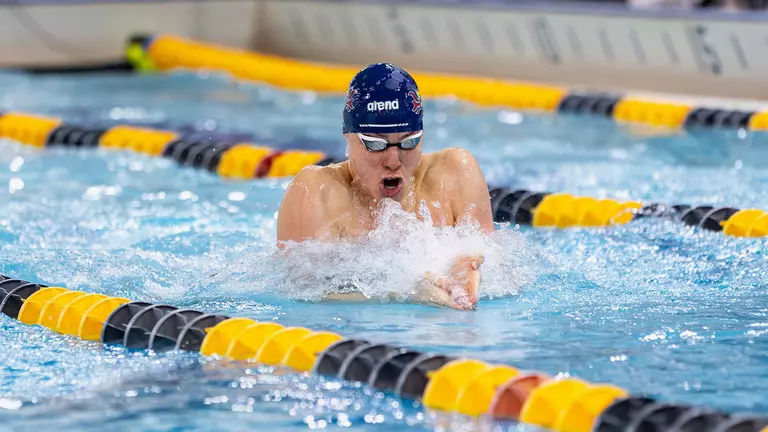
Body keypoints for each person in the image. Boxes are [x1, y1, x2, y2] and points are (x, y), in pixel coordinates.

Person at [276, 63, 494, 310]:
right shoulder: (318, 192)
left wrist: (466, 263)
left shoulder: (455, 173)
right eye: (376, 145)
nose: (393, 161)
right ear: (349, 137)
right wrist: (407, 291)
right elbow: (301, 291)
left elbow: (493, 257)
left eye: (409, 142)